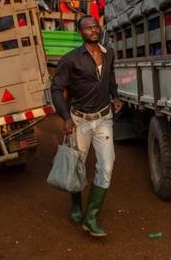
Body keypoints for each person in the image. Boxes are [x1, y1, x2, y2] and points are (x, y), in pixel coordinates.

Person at [50, 15, 123, 237]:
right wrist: (66, 117)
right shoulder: (70, 59)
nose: (94, 29)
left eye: (96, 26)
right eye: (88, 27)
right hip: (79, 119)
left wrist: (115, 96)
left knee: (107, 165)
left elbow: (109, 78)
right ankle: (75, 206)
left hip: (103, 118)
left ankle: (91, 216)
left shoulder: (108, 53)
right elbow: (55, 88)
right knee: (77, 165)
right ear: (80, 32)